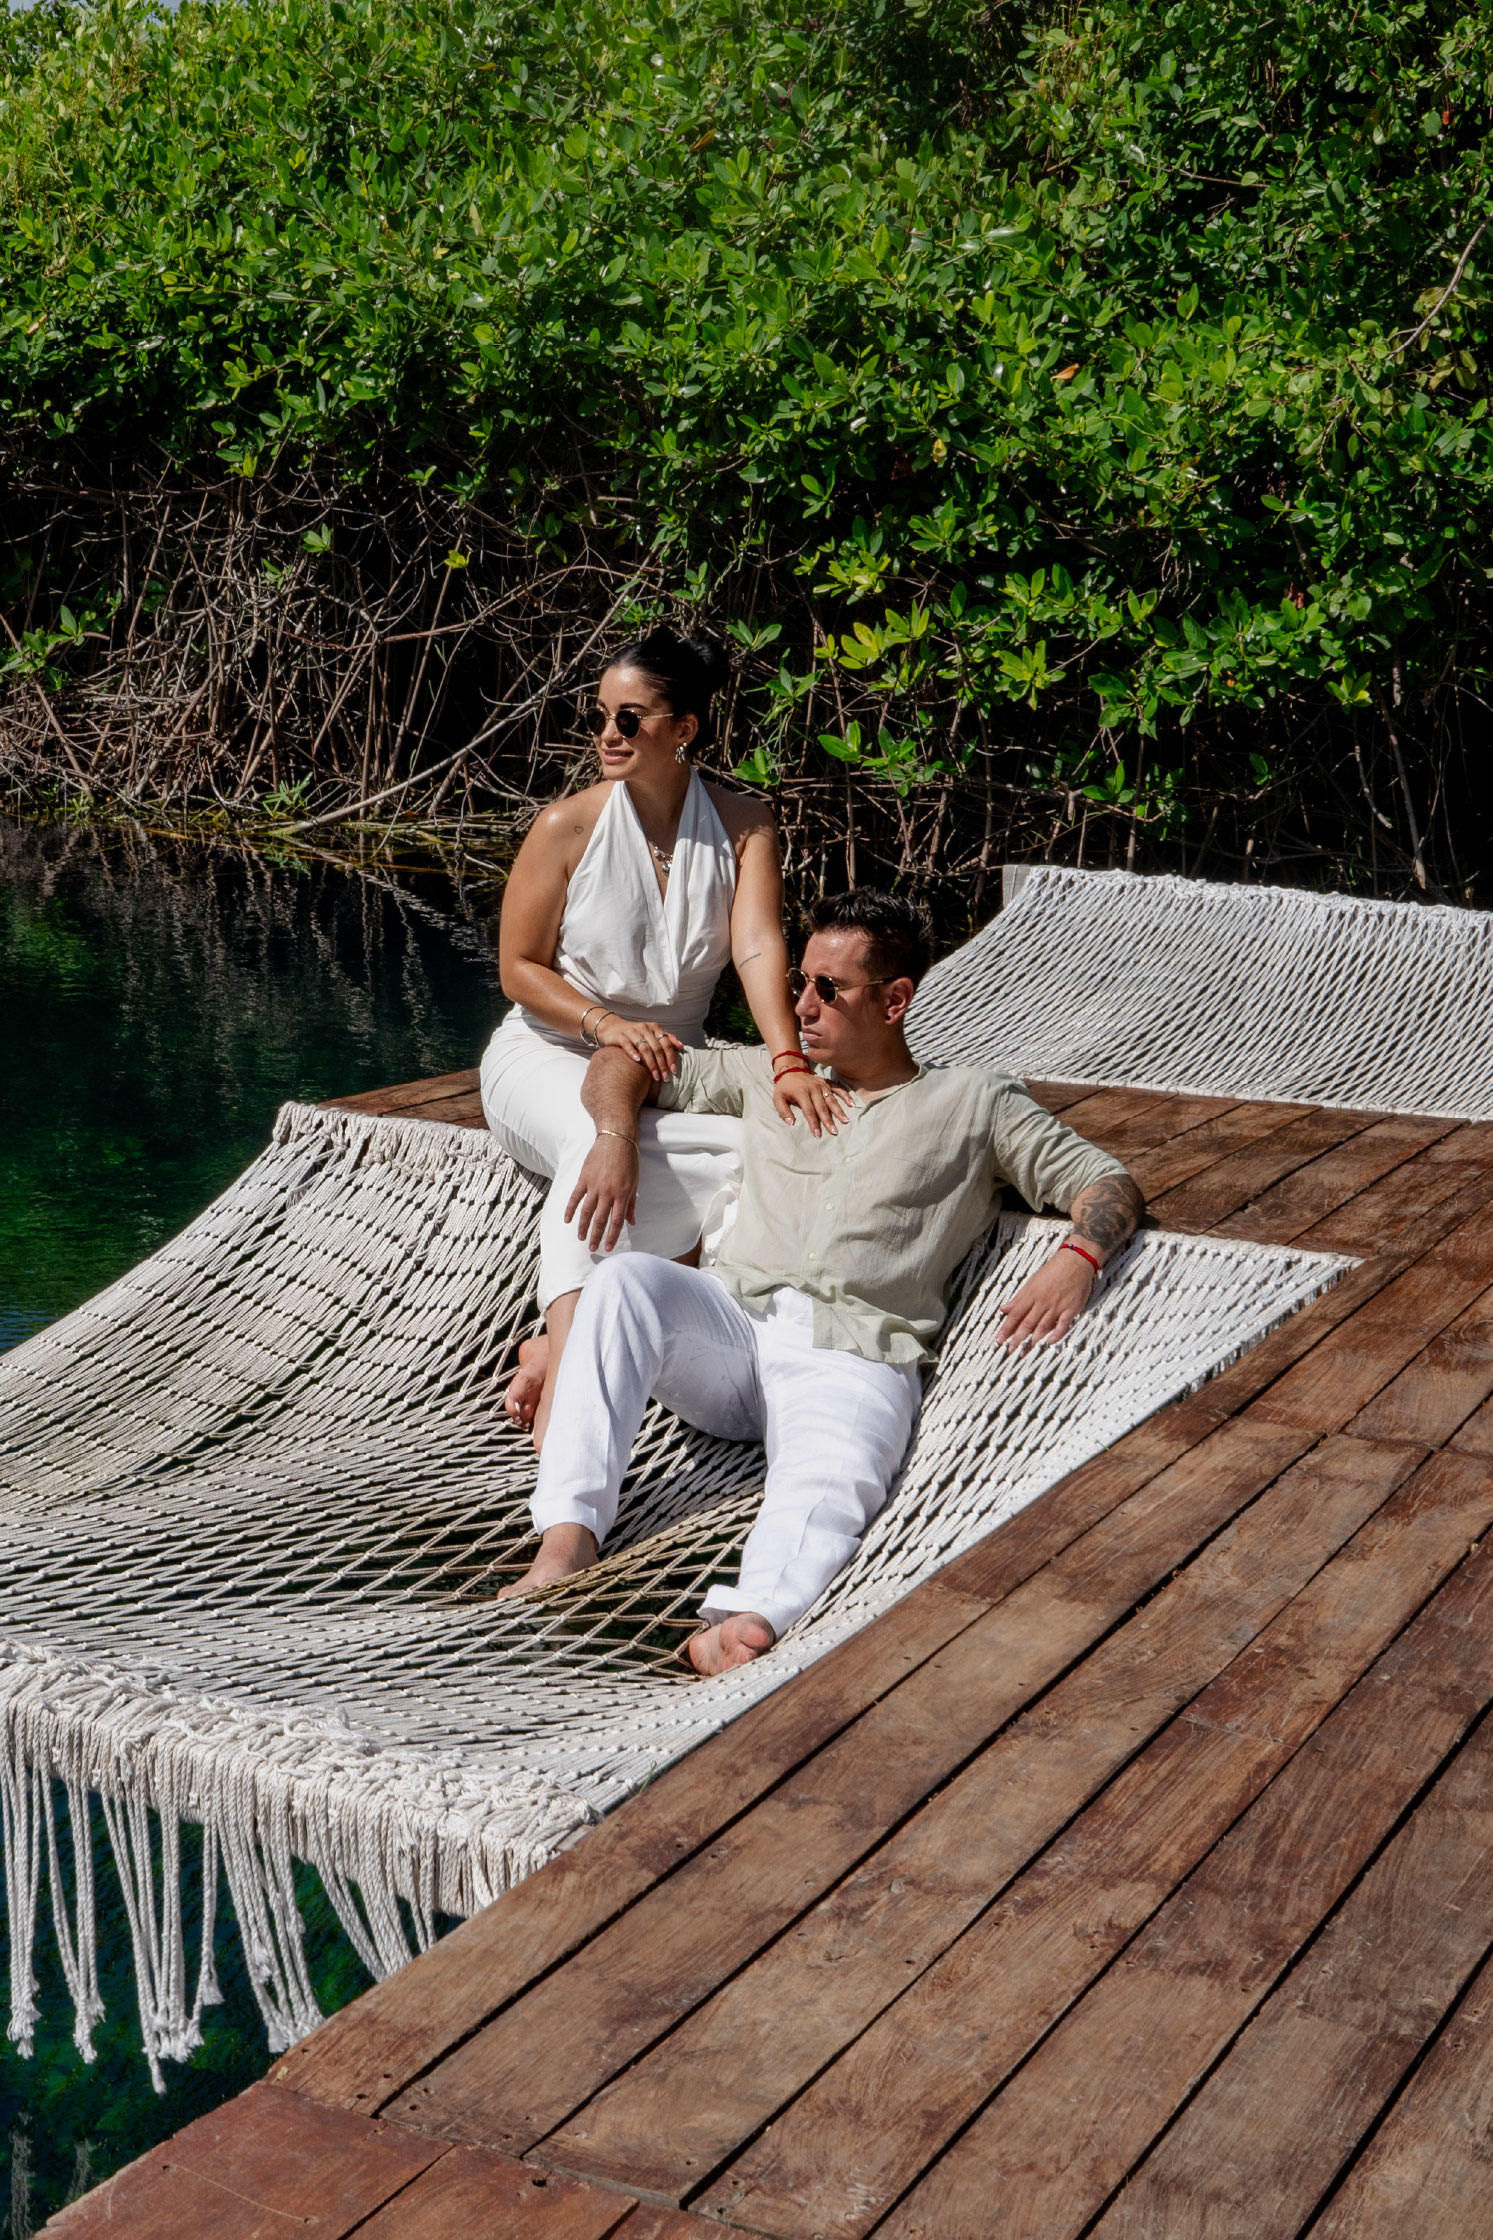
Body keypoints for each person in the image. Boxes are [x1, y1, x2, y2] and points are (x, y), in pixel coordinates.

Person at [498, 889, 1145, 1675]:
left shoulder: (974, 1103)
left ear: (894, 1000)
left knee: (831, 1480)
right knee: (625, 1282)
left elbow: (1104, 1181)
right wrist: (611, 1136)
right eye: (798, 982)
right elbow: (622, 1060)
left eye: (826, 989)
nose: (800, 1006)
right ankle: (566, 1542)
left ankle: (748, 1620)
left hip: (853, 1347)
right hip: (729, 1328)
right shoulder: (773, 1073)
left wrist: (1077, 1259)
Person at [482, 623, 842, 1450]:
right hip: (550, 1049)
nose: (607, 734)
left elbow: (757, 948)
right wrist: (605, 1023)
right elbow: (517, 968)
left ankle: (562, 1348)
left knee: (761, 1149)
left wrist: (786, 1058)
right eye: (598, 717)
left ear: (683, 729)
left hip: (674, 1061)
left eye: (629, 718)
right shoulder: (566, 825)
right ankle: (572, 1404)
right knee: (596, 1139)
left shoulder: (745, 823)